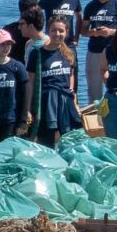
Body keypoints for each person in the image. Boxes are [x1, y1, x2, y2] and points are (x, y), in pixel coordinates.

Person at [23, 14, 80, 147]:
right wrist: (28, 108)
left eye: (61, 31)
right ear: (48, 31)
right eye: (53, 30)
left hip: (66, 100)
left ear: (66, 32)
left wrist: (75, 99)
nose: (57, 34)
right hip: (46, 100)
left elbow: (71, 76)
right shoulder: (37, 53)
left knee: (70, 140)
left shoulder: (70, 52)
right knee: (46, 139)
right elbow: (30, 83)